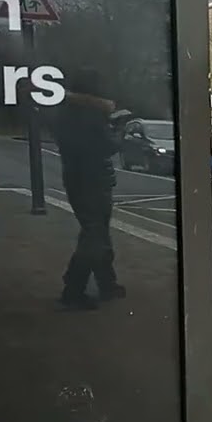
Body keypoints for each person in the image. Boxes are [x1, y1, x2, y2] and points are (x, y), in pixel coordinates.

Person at [50, 90, 127, 309]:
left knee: (96, 231)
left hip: (77, 178)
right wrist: (118, 129)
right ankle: (74, 288)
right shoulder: (91, 116)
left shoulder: (66, 114)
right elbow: (109, 146)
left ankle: (106, 283)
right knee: (95, 233)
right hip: (94, 179)